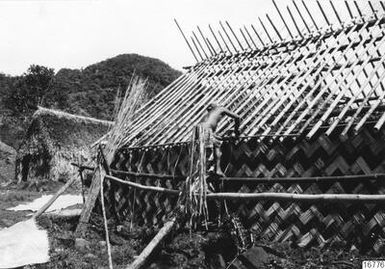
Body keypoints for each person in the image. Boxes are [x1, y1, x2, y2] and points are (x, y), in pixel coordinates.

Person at [199, 103, 241, 176]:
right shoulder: (221, 109)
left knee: (214, 144)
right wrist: (236, 131)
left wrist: (222, 138)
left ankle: (209, 169)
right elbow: (237, 117)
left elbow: (212, 135)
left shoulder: (207, 116)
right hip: (206, 130)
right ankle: (217, 170)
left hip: (198, 130)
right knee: (217, 145)